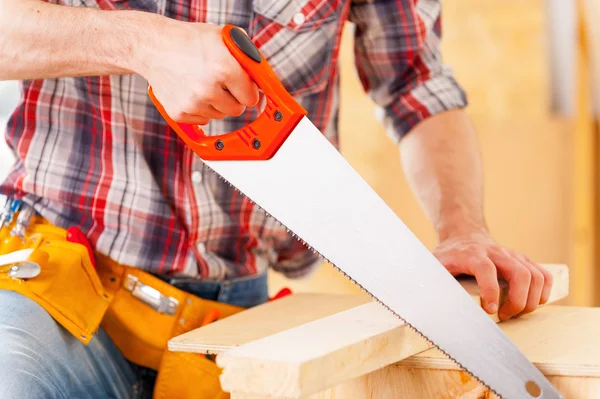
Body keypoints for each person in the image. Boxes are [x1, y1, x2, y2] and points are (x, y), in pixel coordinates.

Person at [0, 0, 553, 397]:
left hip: (232, 316)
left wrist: (462, 229)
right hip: (58, 282)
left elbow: (417, 88)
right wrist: (144, 43)